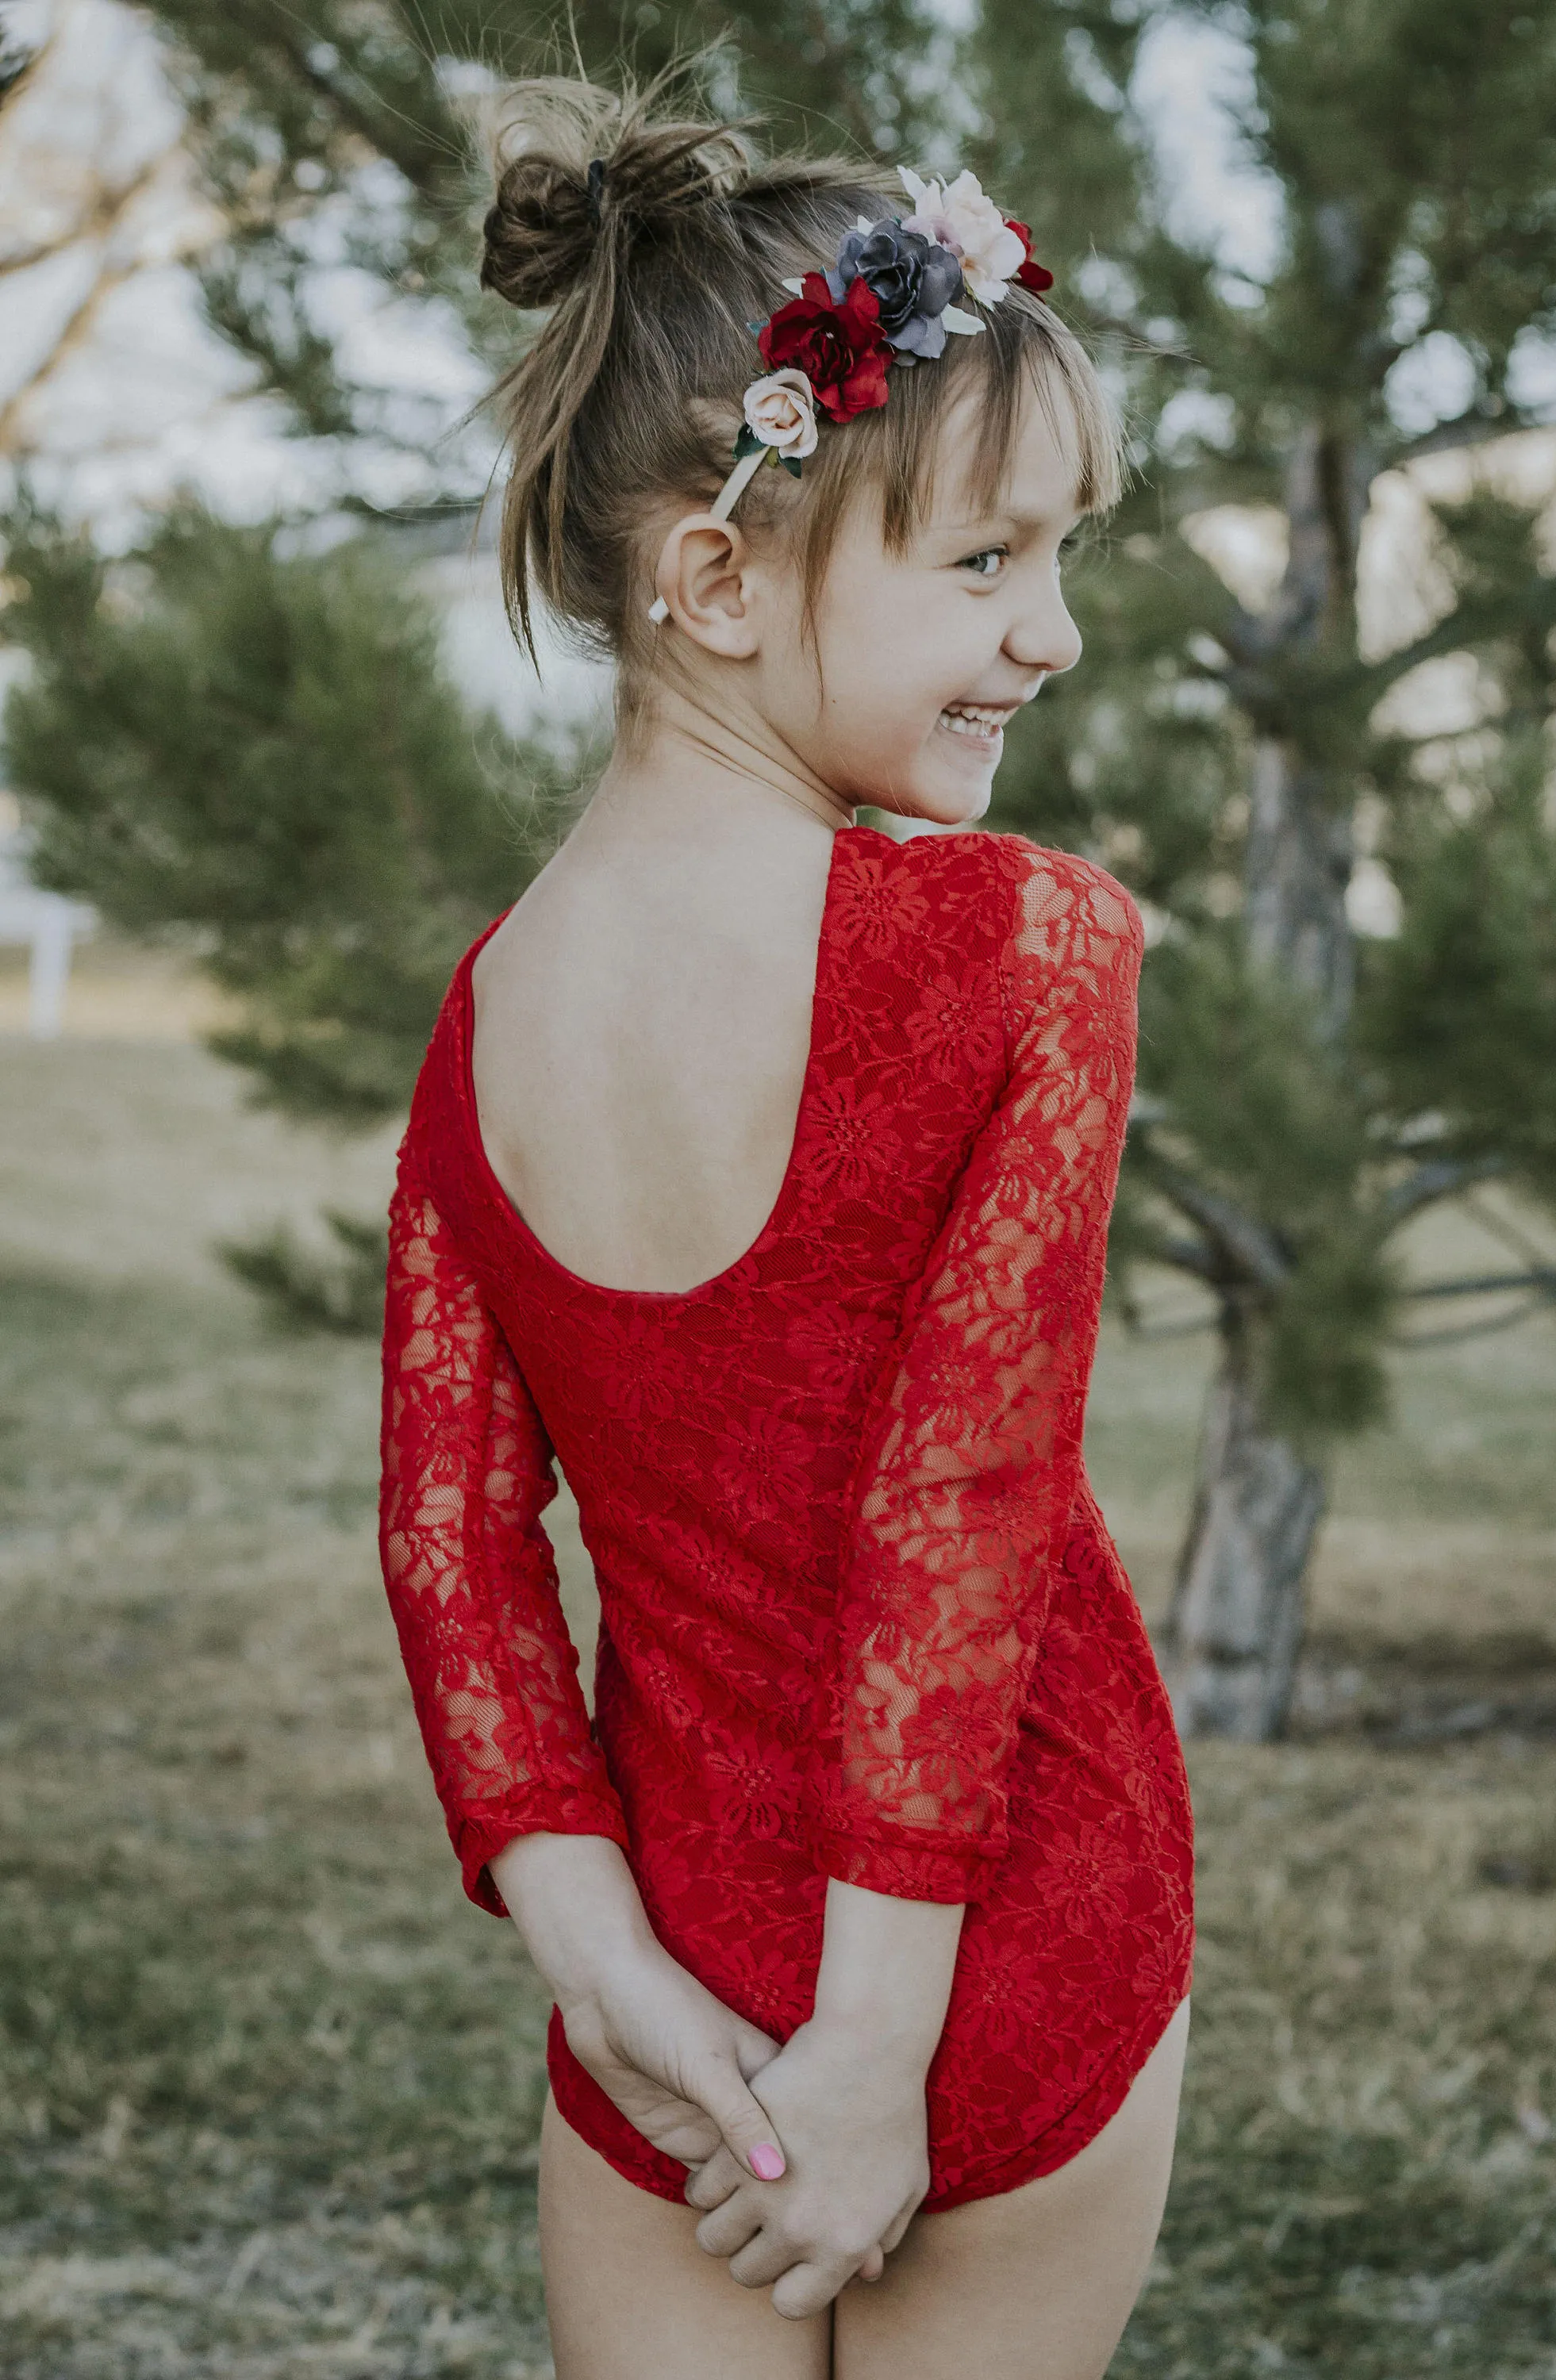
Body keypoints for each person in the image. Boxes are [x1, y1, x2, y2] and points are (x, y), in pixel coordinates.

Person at [377, 64, 1195, 2380]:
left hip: (677, 1989)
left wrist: (601, 1962)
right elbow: (965, 1516)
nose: (1050, 637)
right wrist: (873, 2055)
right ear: (716, 578)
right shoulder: (1016, 953)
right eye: (981, 563)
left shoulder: (487, 1012)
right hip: (990, 1946)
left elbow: (447, 1540)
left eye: (1064, 559)